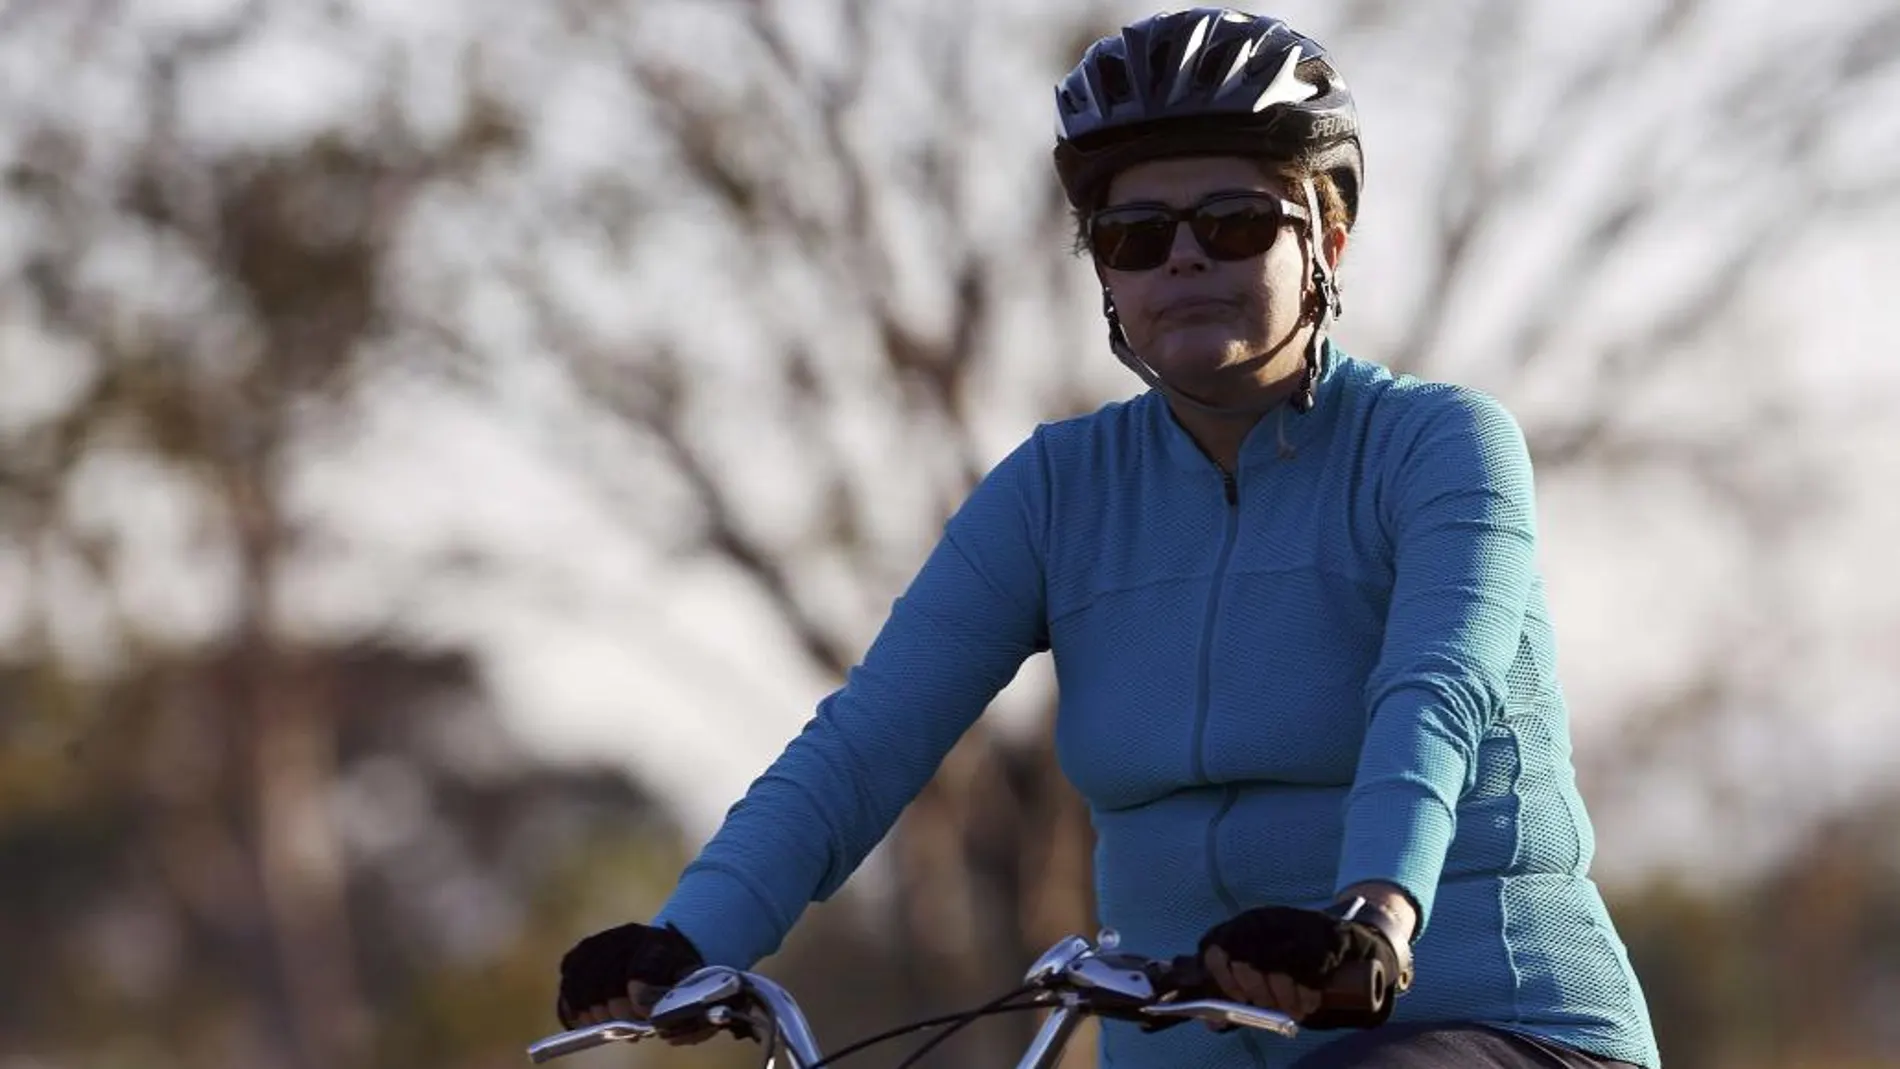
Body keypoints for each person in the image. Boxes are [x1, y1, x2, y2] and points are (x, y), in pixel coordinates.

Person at [555, 8, 1662, 1068]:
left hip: (1494, 1027)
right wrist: (691, 938)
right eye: (1134, 236)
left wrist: (1372, 912)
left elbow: (1435, 693)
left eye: (1230, 223)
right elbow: (865, 742)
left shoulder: (1440, 445)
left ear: (1327, 235)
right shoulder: (1056, 491)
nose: (1179, 260)